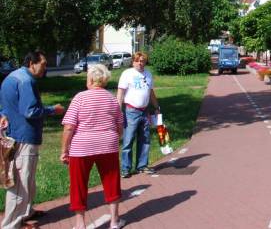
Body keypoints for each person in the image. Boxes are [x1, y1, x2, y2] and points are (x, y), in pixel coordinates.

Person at [0, 51, 65, 229]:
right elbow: (31, 111)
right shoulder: (27, 81)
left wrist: (3, 115)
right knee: (21, 183)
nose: (45, 67)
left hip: (15, 135)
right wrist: (53, 109)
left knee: (27, 179)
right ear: (31, 63)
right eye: (43, 64)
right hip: (24, 138)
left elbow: (6, 106)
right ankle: (11, 224)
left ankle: (27, 212)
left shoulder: (12, 77)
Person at [60, 64, 125, 229]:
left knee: (79, 184)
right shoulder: (112, 99)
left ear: (90, 79)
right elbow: (119, 126)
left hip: (81, 147)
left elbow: (69, 127)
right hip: (108, 145)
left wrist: (64, 150)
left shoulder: (80, 98)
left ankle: (80, 224)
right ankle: (114, 221)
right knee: (111, 181)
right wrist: (114, 137)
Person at [116, 52, 160, 178]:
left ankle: (141, 166)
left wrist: (156, 107)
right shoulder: (127, 74)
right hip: (131, 111)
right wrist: (118, 110)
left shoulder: (148, 74)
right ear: (133, 62)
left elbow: (151, 92)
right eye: (138, 61)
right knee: (128, 140)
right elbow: (120, 93)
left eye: (143, 61)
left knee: (145, 139)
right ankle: (126, 168)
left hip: (145, 111)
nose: (140, 63)